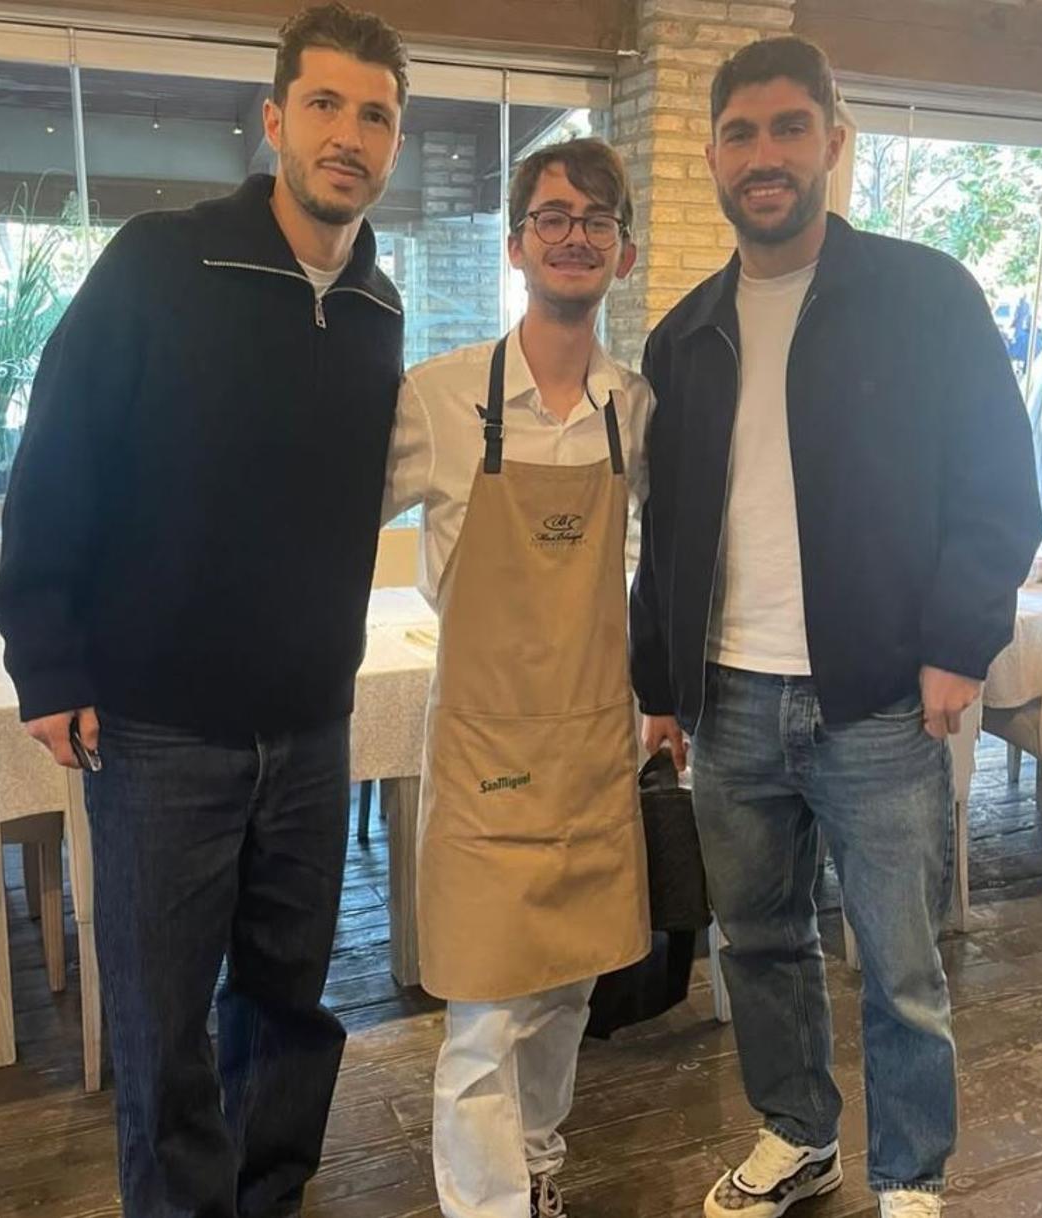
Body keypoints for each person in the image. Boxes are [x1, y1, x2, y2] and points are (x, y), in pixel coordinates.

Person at [0, 5, 408, 1215]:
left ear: (391, 143)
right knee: (163, 1027)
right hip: (161, 731)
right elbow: (58, 453)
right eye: (324, 105)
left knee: (290, 1005)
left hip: (313, 729)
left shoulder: (380, 313)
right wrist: (49, 660)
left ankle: (271, 1193)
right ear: (276, 119)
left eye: (374, 114)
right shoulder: (162, 261)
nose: (349, 134)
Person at [633, 36, 1042, 1218]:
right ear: (715, 155)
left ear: (833, 143)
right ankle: (797, 1133)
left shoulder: (925, 296)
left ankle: (911, 1174)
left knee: (902, 967)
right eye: (744, 133)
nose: (766, 156)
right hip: (728, 701)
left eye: (788, 129)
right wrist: (658, 682)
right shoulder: (684, 336)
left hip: (875, 701)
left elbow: (995, 486)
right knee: (756, 947)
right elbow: (667, 539)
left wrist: (960, 642)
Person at [384, 137, 653, 1218]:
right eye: (552, 215)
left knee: (570, 986)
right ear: (517, 245)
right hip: (487, 746)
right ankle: (487, 1205)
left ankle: (540, 1160)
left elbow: (674, 562)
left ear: (622, 253)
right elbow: (317, 522)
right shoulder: (439, 400)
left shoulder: (637, 409)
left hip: (592, 739)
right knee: (486, 1012)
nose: (574, 233)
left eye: (596, 218)